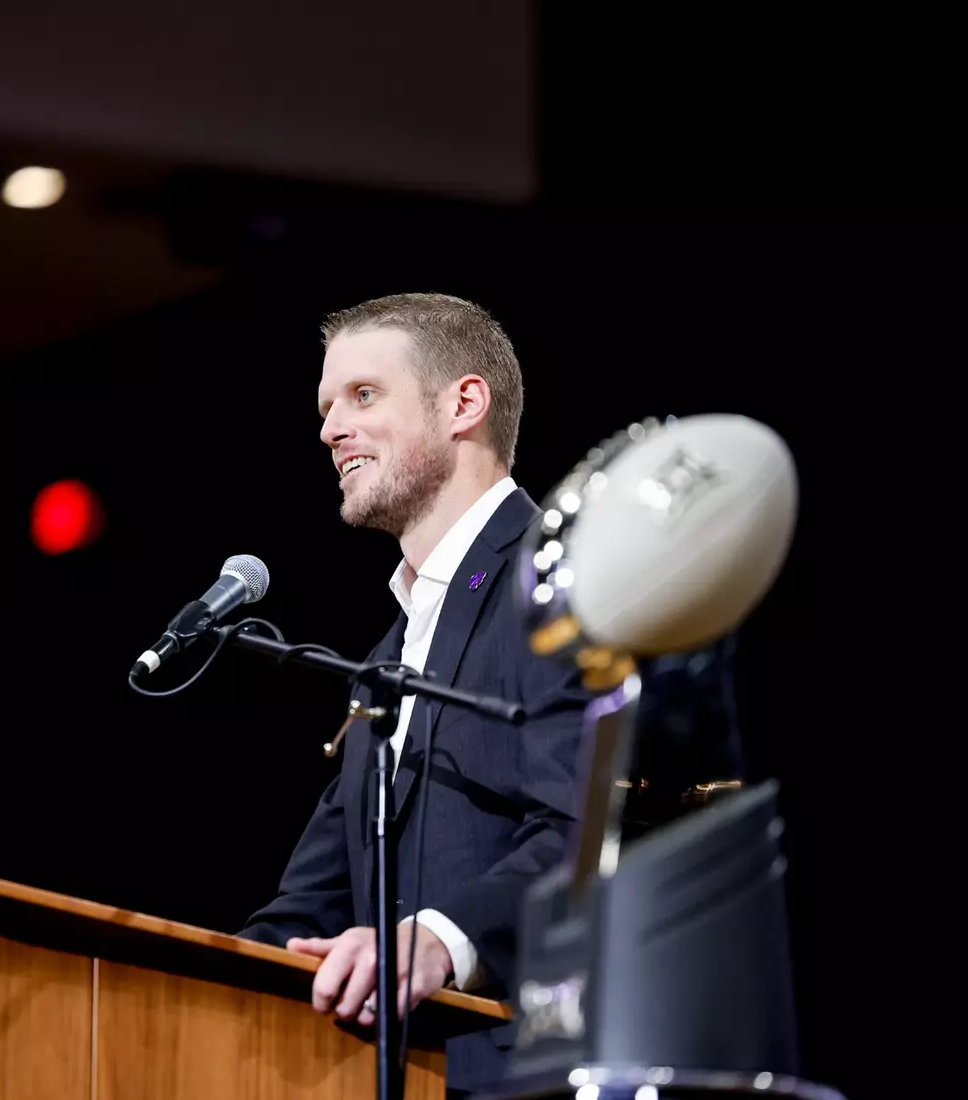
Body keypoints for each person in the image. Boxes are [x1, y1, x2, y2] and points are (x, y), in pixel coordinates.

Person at [235, 293, 743, 1094]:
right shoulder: (388, 658)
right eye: (327, 409)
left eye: (363, 396)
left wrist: (440, 939)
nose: (331, 429)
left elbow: (594, 824)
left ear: (463, 405)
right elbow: (315, 897)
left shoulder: (565, 588)